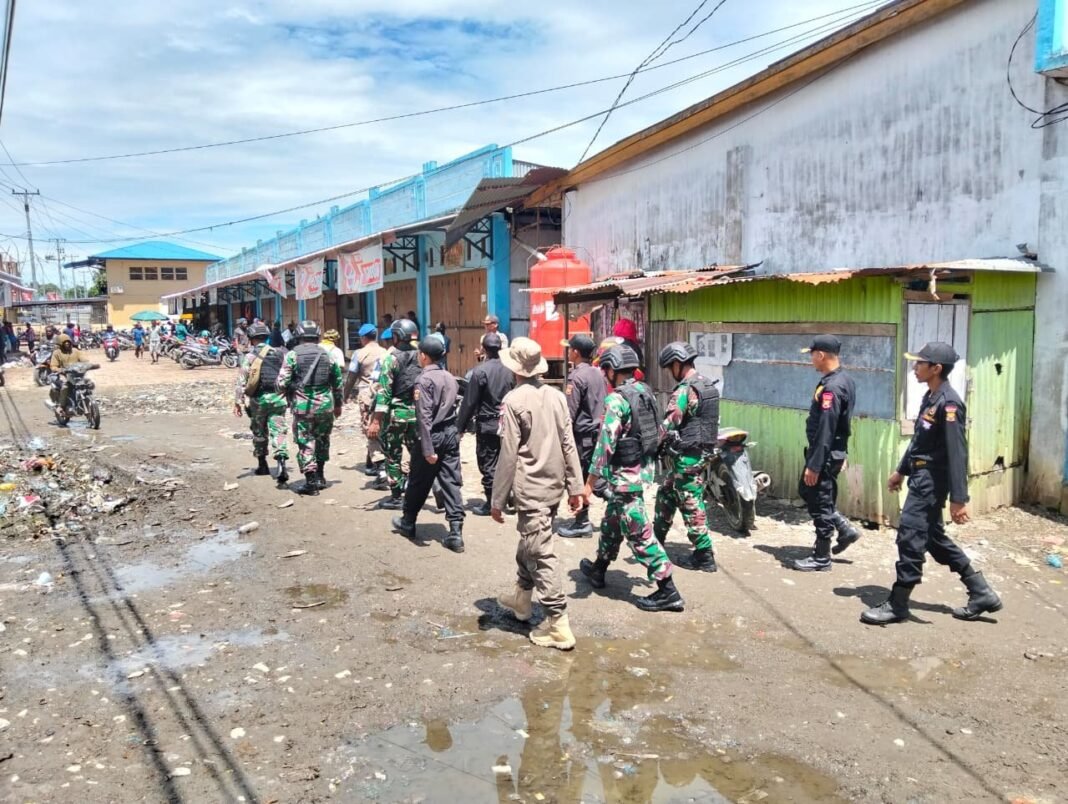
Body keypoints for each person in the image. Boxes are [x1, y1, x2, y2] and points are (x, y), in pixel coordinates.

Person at [862, 342, 1002, 625]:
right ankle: (981, 592)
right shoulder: (931, 397)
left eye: (920, 363)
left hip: (931, 482)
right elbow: (919, 441)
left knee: (910, 536)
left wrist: (959, 498)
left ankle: (899, 603)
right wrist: (901, 471)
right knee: (933, 539)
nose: (915, 367)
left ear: (936, 368)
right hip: (920, 476)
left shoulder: (949, 403)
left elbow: (956, 451)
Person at [490, 337, 585, 650]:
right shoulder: (556, 396)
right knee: (532, 541)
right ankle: (521, 598)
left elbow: (508, 455)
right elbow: (568, 443)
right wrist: (575, 487)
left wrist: (497, 500)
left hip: (530, 489)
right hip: (554, 486)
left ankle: (558, 625)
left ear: (514, 368)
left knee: (541, 552)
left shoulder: (514, 401)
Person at [579, 345, 684, 612]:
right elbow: (657, 430)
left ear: (612, 371)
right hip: (642, 470)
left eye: (605, 372)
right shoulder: (644, 391)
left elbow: (605, 445)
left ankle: (667, 589)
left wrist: (589, 484)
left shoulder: (617, 400)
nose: (604, 376)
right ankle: (599, 568)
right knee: (613, 521)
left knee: (638, 532)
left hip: (625, 475)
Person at [791, 335, 860, 572]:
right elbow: (844, 424)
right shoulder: (843, 379)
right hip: (831, 451)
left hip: (825, 453)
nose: (811, 360)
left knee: (820, 501)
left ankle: (822, 557)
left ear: (820, 355)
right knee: (807, 491)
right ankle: (843, 528)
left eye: (812, 355)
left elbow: (827, 428)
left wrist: (815, 464)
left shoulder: (832, 387)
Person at [391, 338, 466, 552]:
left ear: (423, 355)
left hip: (432, 436)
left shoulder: (423, 380)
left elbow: (423, 417)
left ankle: (408, 523)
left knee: (418, 481)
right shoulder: (450, 377)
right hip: (450, 434)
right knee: (451, 481)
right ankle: (456, 531)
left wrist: (427, 449)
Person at [653, 341, 721, 572]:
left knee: (691, 502)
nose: (669, 373)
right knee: (667, 492)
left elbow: (670, 421)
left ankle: (704, 555)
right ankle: (655, 539)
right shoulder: (707, 384)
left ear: (676, 363)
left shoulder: (685, 389)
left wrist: (651, 446)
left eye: (669, 367)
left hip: (688, 455)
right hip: (702, 452)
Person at [276, 321, 344, 495]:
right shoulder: (327, 355)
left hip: (303, 407)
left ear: (298, 336)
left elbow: (281, 383)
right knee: (323, 440)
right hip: (326, 407)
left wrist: (290, 389)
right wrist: (338, 405)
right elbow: (338, 383)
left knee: (306, 442)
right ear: (318, 336)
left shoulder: (292, 355)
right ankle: (321, 476)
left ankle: (311, 482)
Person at [455, 332, 514, 515]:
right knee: (508, 461)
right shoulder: (511, 370)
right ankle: (508, 498)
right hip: (508, 424)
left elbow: (469, 402)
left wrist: (459, 428)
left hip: (487, 425)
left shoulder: (479, 371)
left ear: (483, 349)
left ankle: (491, 503)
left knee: (488, 463)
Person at [557, 334, 607, 538]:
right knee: (592, 476)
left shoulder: (577, 377)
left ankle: (583, 521)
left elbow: (570, 412)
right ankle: (587, 518)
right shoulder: (597, 373)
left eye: (570, 349)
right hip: (596, 433)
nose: (568, 352)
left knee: (580, 478)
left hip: (581, 437)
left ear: (576, 352)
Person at [368, 318, 421, 509]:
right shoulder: (422, 356)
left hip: (396, 415)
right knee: (417, 454)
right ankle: (420, 489)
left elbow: (384, 393)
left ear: (397, 336)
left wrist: (375, 421)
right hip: (418, 415)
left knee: (393, 454)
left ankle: (397, 495)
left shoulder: (391, 358)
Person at [235, 322, 291, 485]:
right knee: (278, 430)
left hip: (258, 400)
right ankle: (282, 464)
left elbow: (242, 381)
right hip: (278, 398)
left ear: (251, 339)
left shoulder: (250, 357)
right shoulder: (281, 354)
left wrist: (237, 402)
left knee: (259, 432)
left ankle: (262, 465)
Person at [344, 324, 388, 475]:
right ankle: (371, 461)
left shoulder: (359, 353)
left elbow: (351, 377)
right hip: (384, 393)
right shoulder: (385, 352)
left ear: (363, 338)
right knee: (381, 426)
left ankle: (380, 466)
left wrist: (345, 394)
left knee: (370, 428)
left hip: (366, 394)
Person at [47, 334, 96, 414]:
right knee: (65, 387)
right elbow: (53, 366)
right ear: (61, 344)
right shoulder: (57, 353)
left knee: (89, 383)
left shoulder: (76, 351)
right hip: (64, 375)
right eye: (64, 342)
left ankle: (88, 399)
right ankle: (61, 406)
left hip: (77, 374)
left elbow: (84, 360)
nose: (67, 344)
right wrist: (59, 369)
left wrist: (88, 365)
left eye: (68, 342)